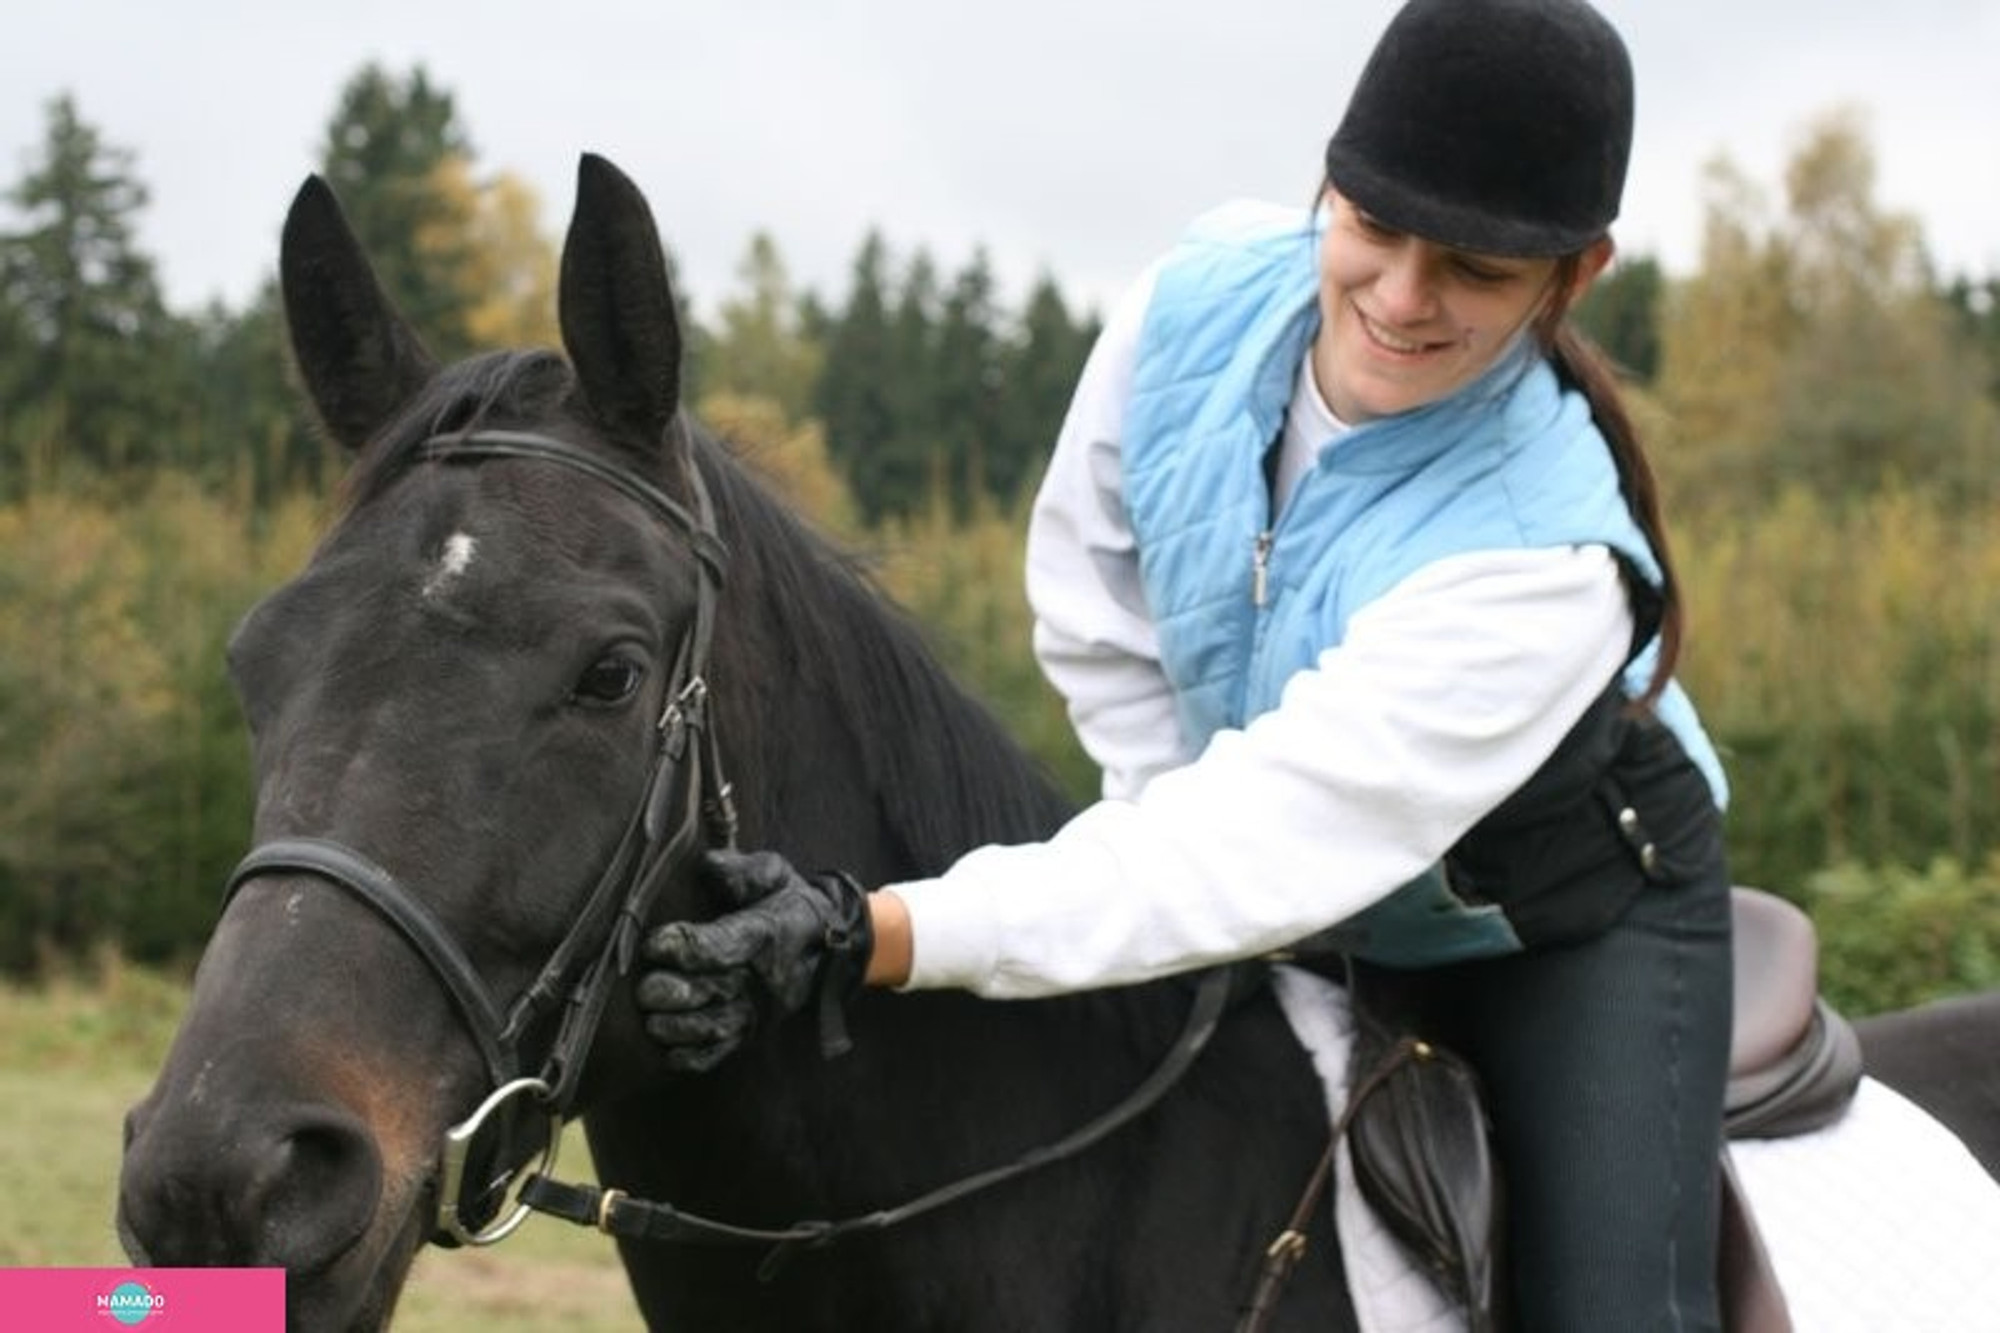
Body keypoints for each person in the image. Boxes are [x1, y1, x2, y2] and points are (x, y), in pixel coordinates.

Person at [636, 0, 1733, 1327]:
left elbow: (1249, 852)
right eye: (1374, 228)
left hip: (1558, 923)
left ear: (1576, 273)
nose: (1399, 297)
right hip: (1272, 866)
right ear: (1327, 183)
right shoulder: (1187, 308)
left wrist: (876, 926)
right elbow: (1096, 601)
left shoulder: (1541, 568)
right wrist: (1155, 800)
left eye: (1475, 270)